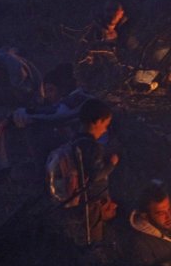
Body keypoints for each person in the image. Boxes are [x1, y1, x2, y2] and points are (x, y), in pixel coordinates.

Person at [46, 98, 119, 246]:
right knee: (92, 237)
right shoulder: (93, 147)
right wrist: (111, 164)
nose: (105, 129)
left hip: (79, 199)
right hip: (91, 202)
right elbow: (96, 175)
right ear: (97, 121)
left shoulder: (75, 141)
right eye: (106, 125)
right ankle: (91, 259)